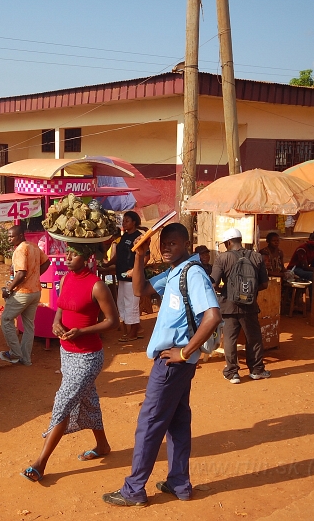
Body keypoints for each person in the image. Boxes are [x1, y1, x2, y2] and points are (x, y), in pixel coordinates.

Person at [102, 223, 221, 507]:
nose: (167, 248)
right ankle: (179, 482)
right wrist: (140, 256)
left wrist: (184, 352)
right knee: (178, 423)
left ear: (186, 244)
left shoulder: (193, 274)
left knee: (150, 423)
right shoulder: (174, 273)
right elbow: (141, 289)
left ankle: (134, 490)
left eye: (173, 243)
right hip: (177, 364)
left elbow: (212, 316)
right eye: (163, 244)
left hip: (173, 364)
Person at [20, 243, 119, 483]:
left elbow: (113, 321)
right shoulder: (65, 280)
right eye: (68, 252)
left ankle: (40, 463)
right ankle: (103, 445)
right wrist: (56, 323)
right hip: (67, 353)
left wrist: (83, 331)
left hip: (88, 357)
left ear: (87, 257)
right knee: (88, 399)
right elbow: (60, 309)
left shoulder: (97, 285)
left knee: (63, 402)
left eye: (74, 254)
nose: (68, 256)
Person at [210, 228, 270, 384]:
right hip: (249, 305)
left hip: (229, 304)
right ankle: (257, 370)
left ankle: (232, 373)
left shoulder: (222, 258)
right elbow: (264, 283)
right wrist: (250, 291)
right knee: (254, 338)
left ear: (228, 242)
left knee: (230, 338)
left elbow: (213, 282)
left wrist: (224, 290)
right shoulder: (257, 257)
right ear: (240, 240)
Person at [0, 225, 50, 366]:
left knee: (6, 320)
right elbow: (47, 262)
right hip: (35, 292)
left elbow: (21, 273)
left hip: (22, 293)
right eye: (8, 236)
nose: (9, 239)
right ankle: (26, 359)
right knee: (29, 326)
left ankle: (15, 353)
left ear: (21, 235)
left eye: (12, 236)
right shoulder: (32, 246)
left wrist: (9, 289)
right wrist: (35, 276)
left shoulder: (20, 249)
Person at [103, 211, 143, 342]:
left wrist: (134, 270)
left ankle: (134, 333)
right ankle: (129, 331)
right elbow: (117, 256)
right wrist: (108, 263)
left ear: (134, 222)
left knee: (132, 304)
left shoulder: (139, 237)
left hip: (132, 278)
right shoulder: (124, 236)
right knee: (122, 304)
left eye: (127, 220)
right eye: (124, 220)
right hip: (122, 276)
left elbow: (145, 257)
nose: (124, 223)